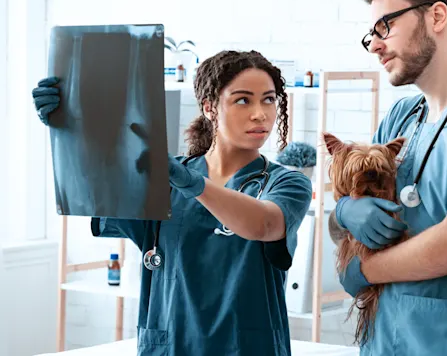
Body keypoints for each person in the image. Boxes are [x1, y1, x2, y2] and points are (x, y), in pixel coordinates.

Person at [32, 50, 313, 356]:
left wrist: (191, 183)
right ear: (209, 107)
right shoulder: (162, 179)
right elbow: (94, 192)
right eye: (243, 100)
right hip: (170, 346)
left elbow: (265, 223)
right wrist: (69, 129)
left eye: (269, 99)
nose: (260, 113)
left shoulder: (286, 182)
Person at [329, 0, 447, 355]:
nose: (375, 45)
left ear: (437, 17)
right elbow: (344, 219)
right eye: (370, 36)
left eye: (385, 26)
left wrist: (365, 271)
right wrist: (343, 212)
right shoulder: (401, 117)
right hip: (384, 338)